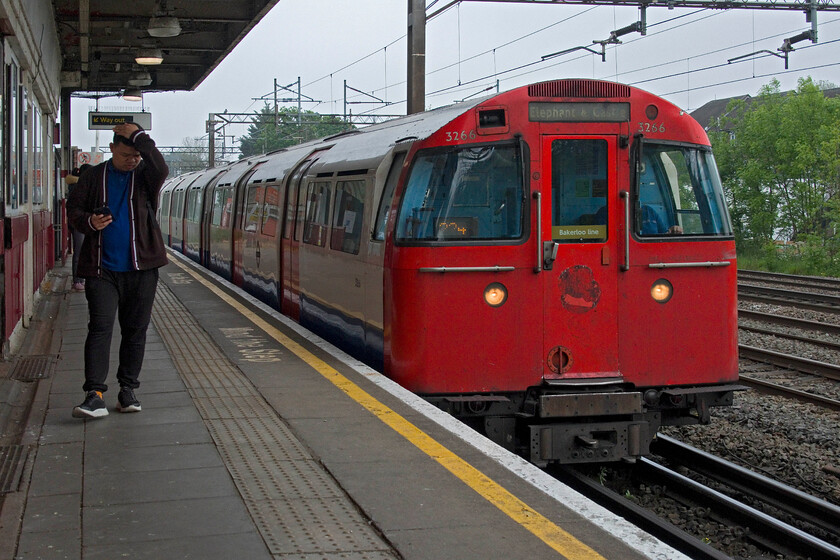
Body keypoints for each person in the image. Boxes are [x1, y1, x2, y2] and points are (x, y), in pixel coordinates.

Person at [66, 123, 169, 419]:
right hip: (103, 269)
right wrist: (89, 222)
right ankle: (94, 394)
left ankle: (128, 390)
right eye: (126, 155)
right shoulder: (93, 177)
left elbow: (159, 166)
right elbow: (73, 211)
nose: (132, 160)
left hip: (142, 268)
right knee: (100, 328)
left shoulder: (146, 177)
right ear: (111, 150)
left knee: (135, 330)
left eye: (136, 155)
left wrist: (139, 136)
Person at [65, 163, 92, 290]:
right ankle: (78, 280)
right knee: (80, 251)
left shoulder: (74, 185)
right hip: (80, 223)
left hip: (79, 222)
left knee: (80, 250)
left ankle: (80, 279)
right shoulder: (79, 186)